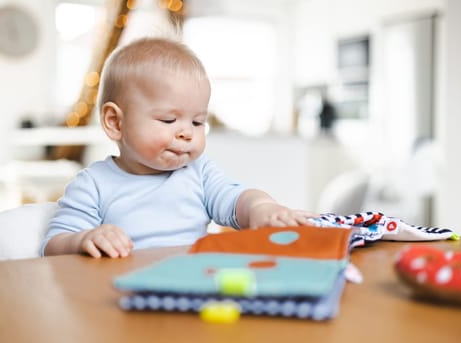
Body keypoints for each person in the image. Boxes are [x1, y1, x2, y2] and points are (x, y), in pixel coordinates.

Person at [41, 37, 316, 259]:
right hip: (123, 295)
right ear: (115, 122)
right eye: (169, 120)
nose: (186, 132)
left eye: (198, 122)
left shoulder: (198, 173)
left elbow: (235, 200)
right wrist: (83, 240)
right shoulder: (94, 184)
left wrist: (261, 207)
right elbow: (53, 246)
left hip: (192, 284)